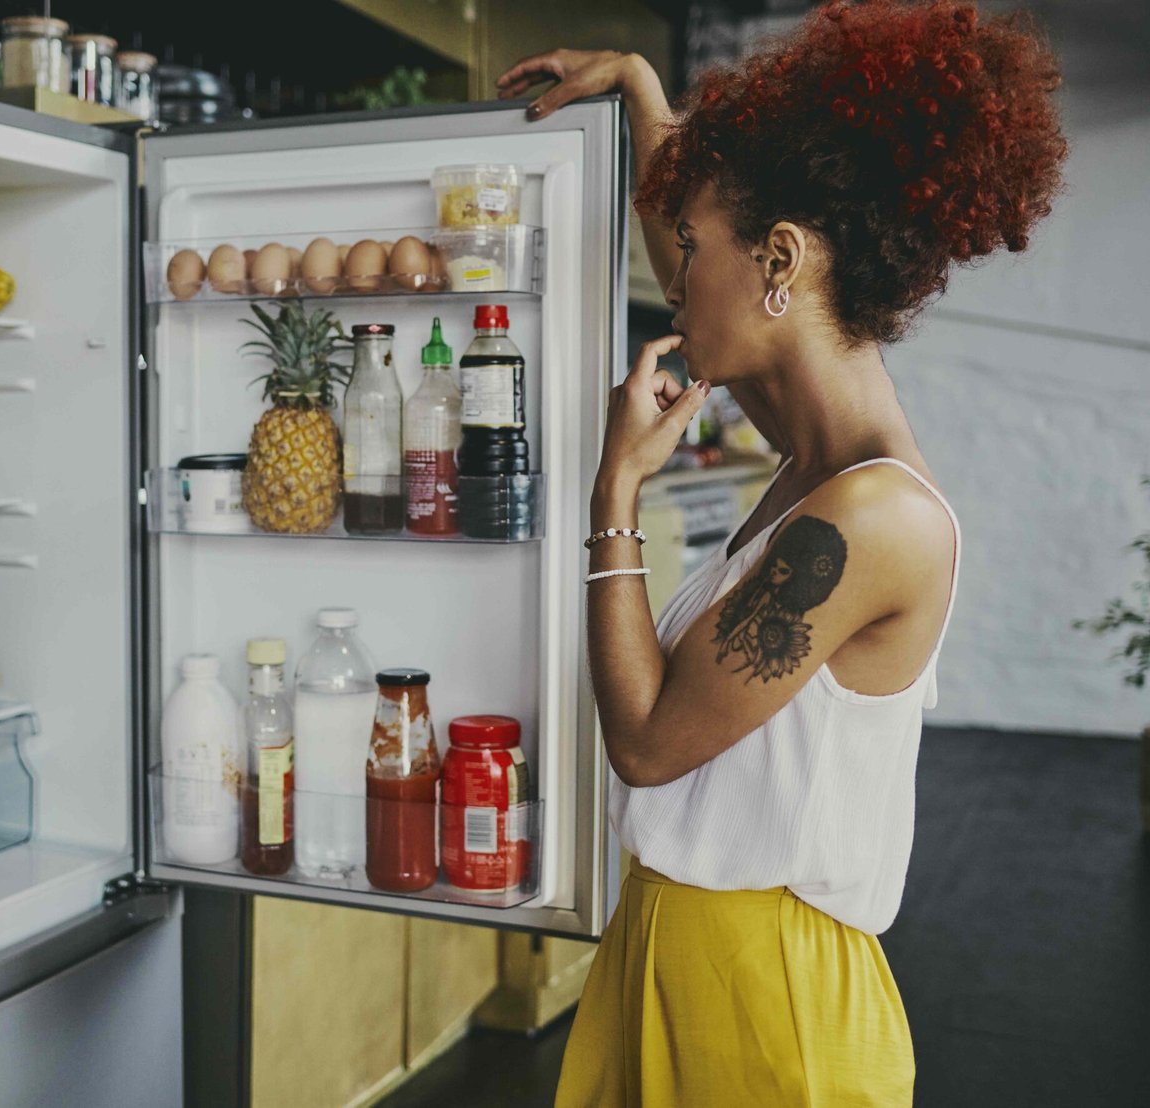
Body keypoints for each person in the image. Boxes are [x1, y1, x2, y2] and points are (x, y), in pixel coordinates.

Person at [498, 2, 1067, 1103]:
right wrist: (642, 94)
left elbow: (648, 743)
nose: (674, 279)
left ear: (781, 260)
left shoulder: (873, 519)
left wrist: (614, 491)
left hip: (772, 1005)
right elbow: (701, 263)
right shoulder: (814, 454)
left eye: (694, 249)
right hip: (673, 949)